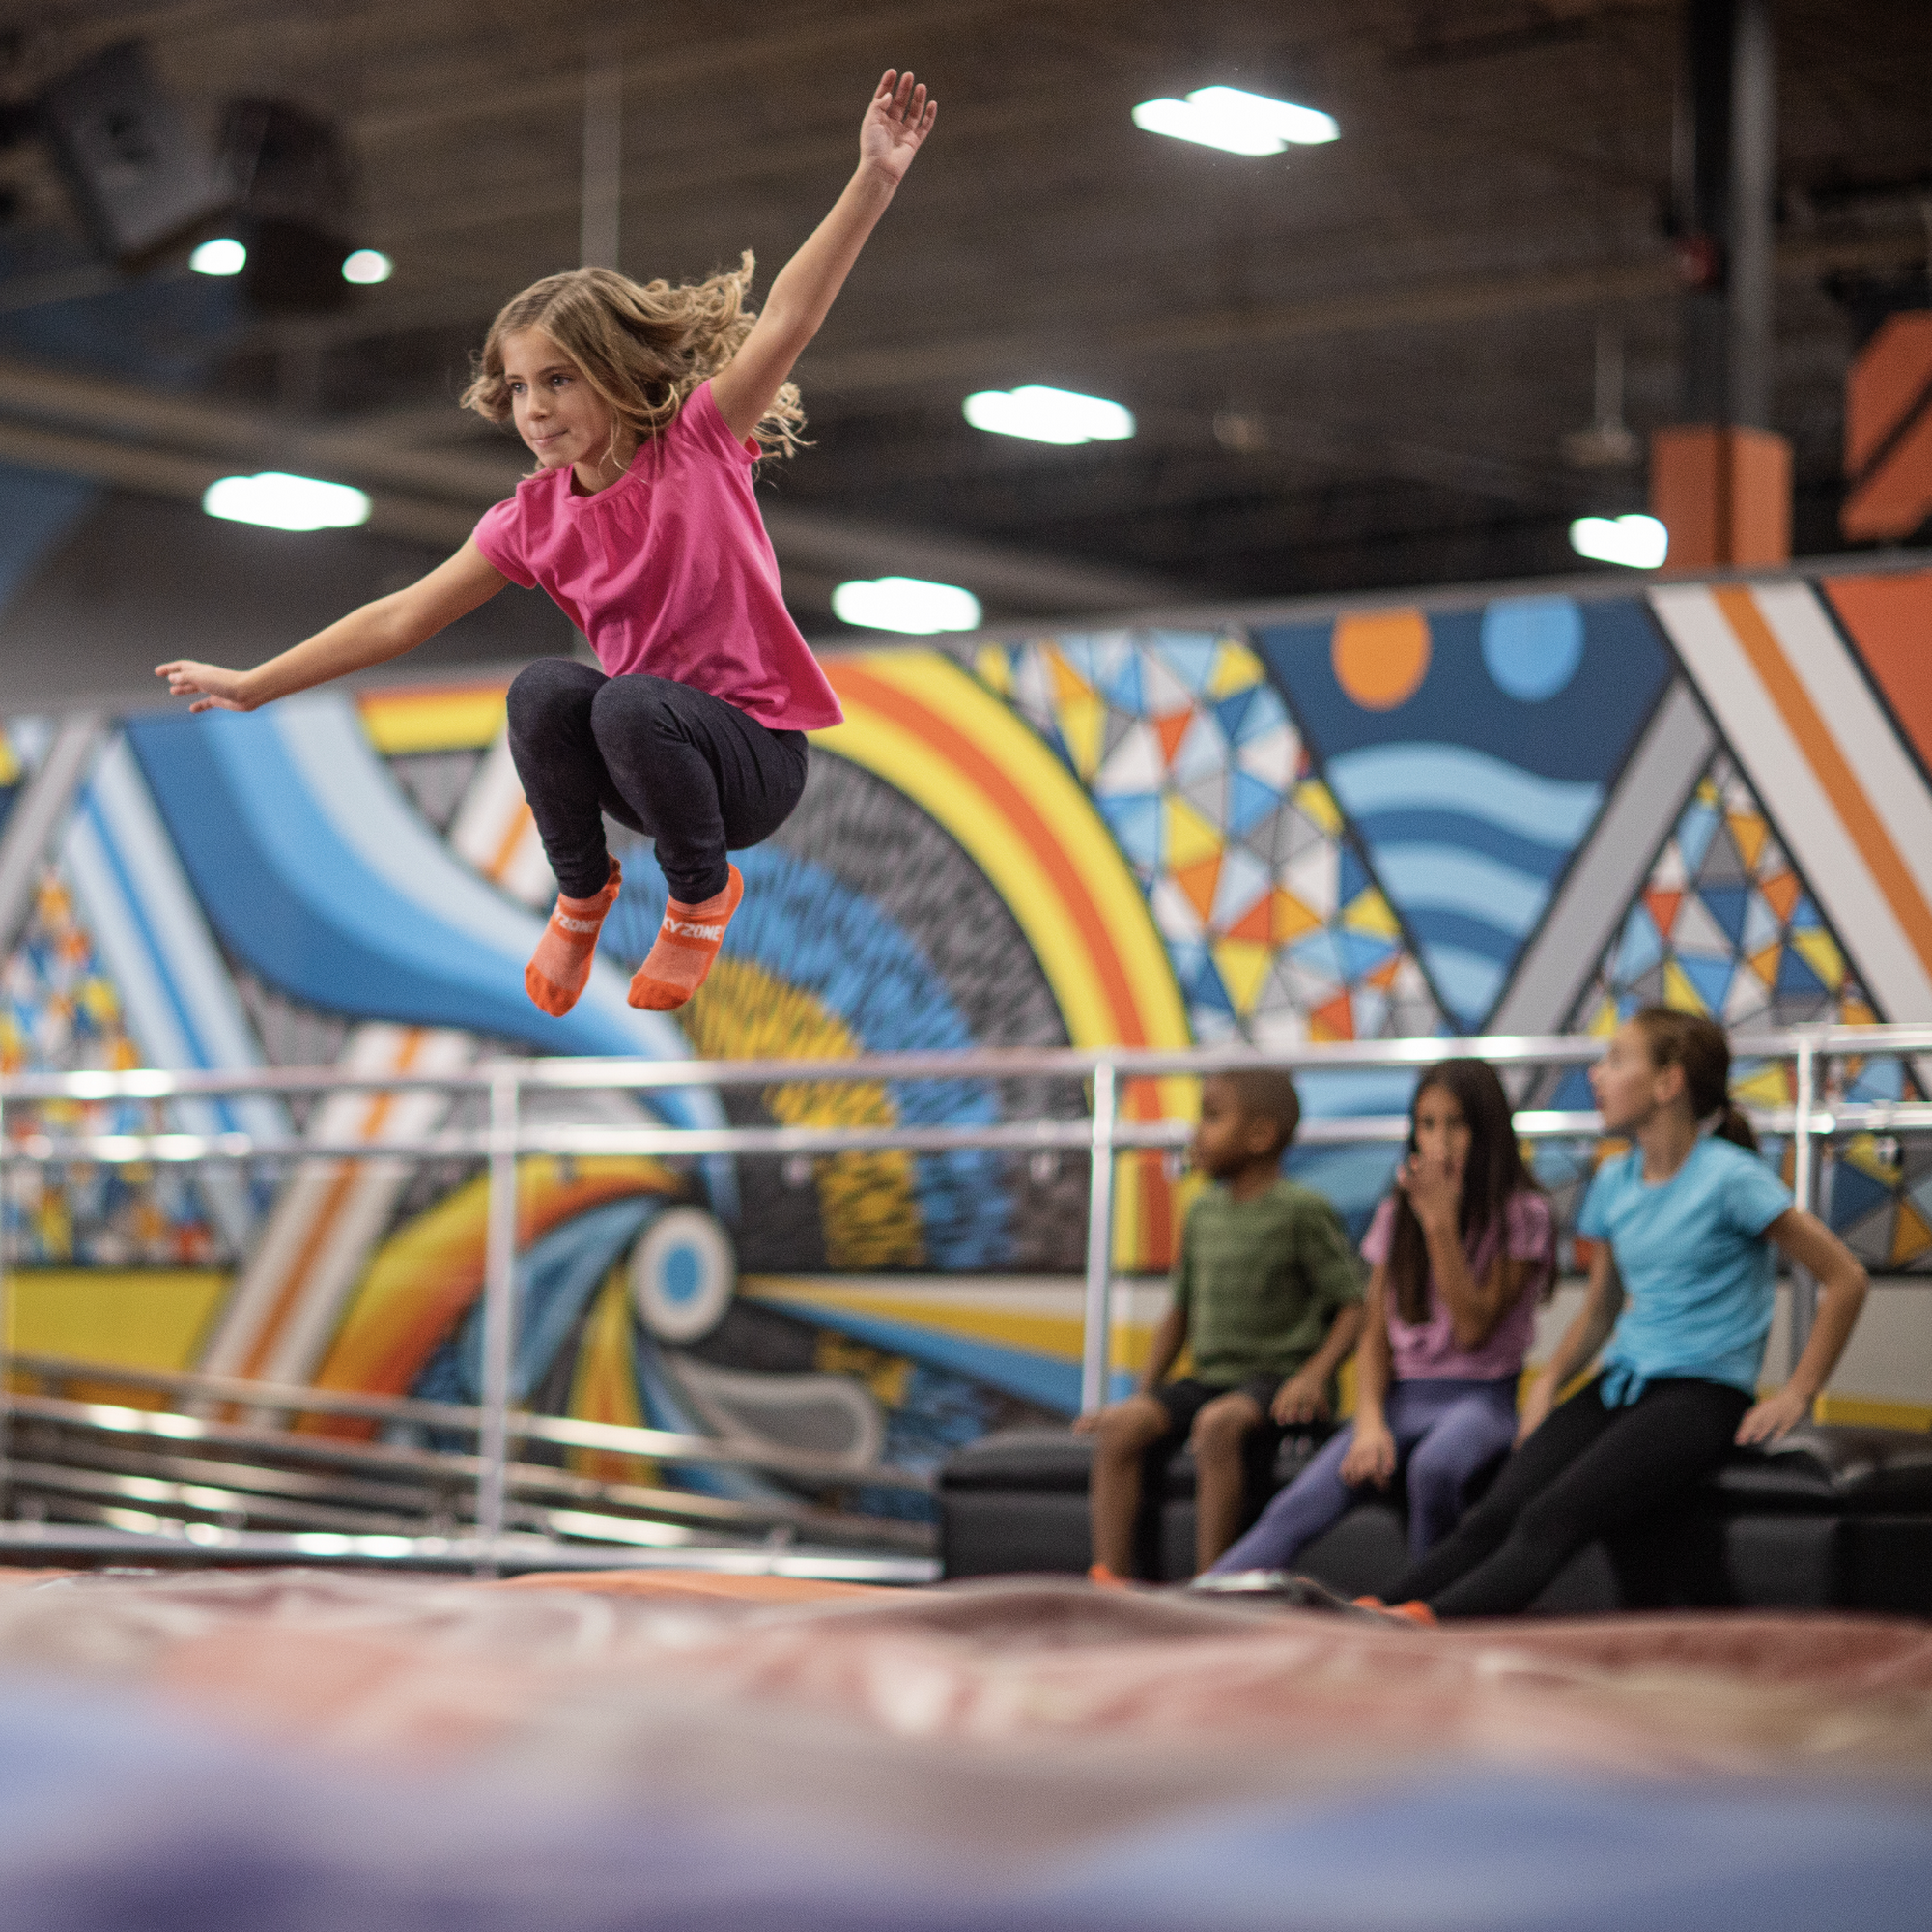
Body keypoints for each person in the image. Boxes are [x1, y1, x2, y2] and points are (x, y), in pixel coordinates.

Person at [156, 70, 939, 1016]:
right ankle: (580, 894)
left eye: (559, 381)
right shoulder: (532, 518)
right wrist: (255, 683)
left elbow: (789, 317)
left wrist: (873, 178)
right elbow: (402, 617)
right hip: (643, 764)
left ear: (613, 374)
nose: (534, 408)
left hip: (750, 763)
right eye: (520, 387)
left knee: (629, 702)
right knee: (544, 690)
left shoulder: (696, 444)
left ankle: (701, 896)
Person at [1374, 1006, 1868, 1622]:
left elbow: (1845, 1278)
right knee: (1495, 1512)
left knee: (1549, 1518)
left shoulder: (1731, 1178)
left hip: (1700, 1394)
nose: (1596, 1073)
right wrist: (1549, 1383)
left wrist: (1798, 1391)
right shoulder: (1613, 1181)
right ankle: (1369, 1611)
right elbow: (1600, 1311)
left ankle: (1416, 1628)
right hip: (1622, 1385)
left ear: (1668, 1083)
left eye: (1615, 1060)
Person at [1206, 1059, 1553, 1579]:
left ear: (1488, 1131)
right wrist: (1369, 1423)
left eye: (1457, 1124)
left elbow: (1472, 1329)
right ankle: (1199, 1599)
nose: (1440, 1142)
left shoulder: (1524, 1214)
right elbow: (1373, 1335)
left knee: (1436, 1468)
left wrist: (1440, 1224)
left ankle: (1426, 1603)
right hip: (1398, 1400)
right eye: (1427, 1124)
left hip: (1481, 1400)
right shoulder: (1396, 1212)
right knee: (1296, 1507)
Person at [1076, 1068, 1365, 1580]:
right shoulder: (1202, 1212)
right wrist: (1143, 1394)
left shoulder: (1302, 1210)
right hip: (1212, 1379)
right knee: (1121, 1429)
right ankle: (1111, 1584)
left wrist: (1313, 1376)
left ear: (1260, 1135)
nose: (1197, 1132)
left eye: (1212, 1117)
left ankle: (1215, 1585)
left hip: (1278, 1381)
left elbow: (1354, 1307)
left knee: (1217, 1425)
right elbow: (1179, 1312)